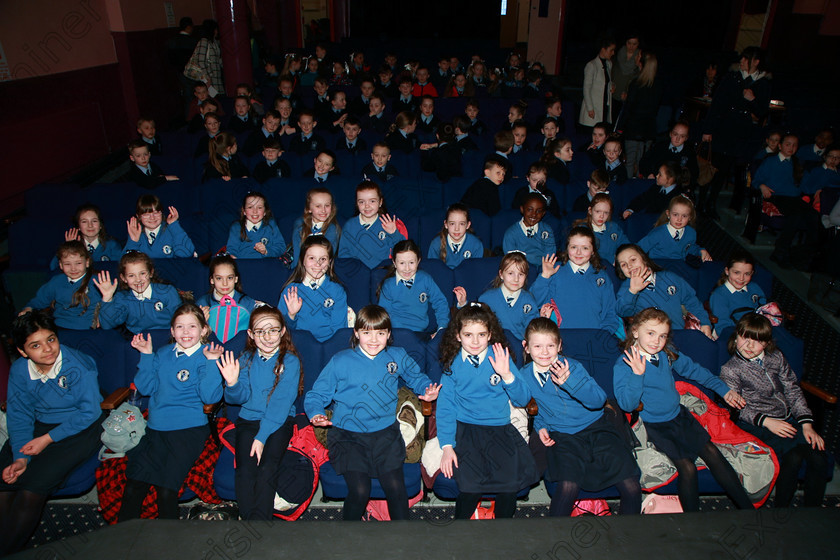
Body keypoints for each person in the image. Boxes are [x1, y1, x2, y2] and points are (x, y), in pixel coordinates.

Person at [305, 305, 440, 520]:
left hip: (385, 434)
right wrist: (315, 412)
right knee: (360, 491)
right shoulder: (341, 361)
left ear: (388, 334)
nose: (374, 339)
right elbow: (316, 395)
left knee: (396, 489)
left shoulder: (397, 355)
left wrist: (427, 389)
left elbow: (417, 377)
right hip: (348, 435)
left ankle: (402, 541)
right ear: (357, 333)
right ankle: (347, 539)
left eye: (380, 333)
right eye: (367, 333)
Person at [613, 307, 754, 512]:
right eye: (650, 333)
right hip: (654, 425)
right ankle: (691, 521)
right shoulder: (625, 363)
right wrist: (637, 374)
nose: (656, 341)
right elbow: (626, 404)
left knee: (713, 453)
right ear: (635, 332)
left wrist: (723, 390)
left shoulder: (666, 353)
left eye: (662, 336)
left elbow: (695, 370)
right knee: (687, 468)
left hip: (678, 416)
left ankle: (747, 509)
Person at [0, 310, 104, 555]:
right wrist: (20, 456)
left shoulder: (79, 365)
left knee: (32, 487)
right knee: (4, 482)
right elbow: (19, 414)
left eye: (51, 339)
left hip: (81, 427)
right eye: (36, 345)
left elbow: (89, 413)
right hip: (40, 424)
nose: (47, 349)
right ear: (23, 352)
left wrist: (46, 440)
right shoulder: (19, 371)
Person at [522, 318, 641, 516]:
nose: (544, 352)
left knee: (631, 486)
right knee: (568, 486)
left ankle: (628, 537)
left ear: (559, 346)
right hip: (562, 434)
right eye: (537, 346)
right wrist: (540, 425)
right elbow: (532, 405)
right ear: (526, 347)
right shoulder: (524, 376)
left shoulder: (573, 367)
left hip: (596, 427)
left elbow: (598, 400)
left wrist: (570, 382)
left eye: (550, 345)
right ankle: (552, 536)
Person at [118, 304, 224, 521]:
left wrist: (213, 362)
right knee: (133, 488)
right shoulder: (163, 354)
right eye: (180, 327)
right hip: (156, 428)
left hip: (189, 430)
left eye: (192, 326)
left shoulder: (207, 356)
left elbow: (210, 397)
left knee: (166, 492)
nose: (186, 332)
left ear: (204, 330)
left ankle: (169, 545)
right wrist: (146, 355)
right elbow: (145, 388)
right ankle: (123, 542)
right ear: (172, 331)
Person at [437, 303, 537, 519]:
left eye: (481, 334)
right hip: (467, 430)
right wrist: (446, 446)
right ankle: (459, 529)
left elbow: (523, 399)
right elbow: (445, 407)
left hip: (499, 429)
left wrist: (507, 374)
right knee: (471, 487)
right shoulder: (453, 365)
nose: (475, 341)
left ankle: (501, 532)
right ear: (458, 336)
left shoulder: (500, 356)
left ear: (490, 335)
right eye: (468, 334)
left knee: (509, 486)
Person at [720, 313, 828, 508]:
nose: (749, 346)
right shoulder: (731, 369)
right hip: (757, 424)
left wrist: (807, 424)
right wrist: (767, 422)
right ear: (736, 338)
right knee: (793, 458)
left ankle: (814, 512)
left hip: (787, 419)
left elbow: (793, 390)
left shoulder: (776, 357)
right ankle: (781, 509)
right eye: (745, 338)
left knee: (818, 457)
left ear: (767, 343)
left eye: (757, 341)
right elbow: (736, 408)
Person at [217, 307, 301, 519]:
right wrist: (233, 383)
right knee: (245, 470)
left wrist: (261, 437)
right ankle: (248, 520)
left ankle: (260, 523)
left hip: (278, 421)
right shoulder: (246, 359)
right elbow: (236, 399)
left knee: (267, 468)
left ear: (282, 331)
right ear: (251, 335)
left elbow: (281, 404)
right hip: (248, 420)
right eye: (260, 331)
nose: (267, 336)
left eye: (272, 330)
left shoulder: (290, 361)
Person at [702, 47, 771, 215]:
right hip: (722, 128)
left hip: (740, 134)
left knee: (724, 170)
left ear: (756, 61)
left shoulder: (763, 83)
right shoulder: (732, 77)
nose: (742, 61)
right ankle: (700, 201)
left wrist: (752, 100)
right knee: (711, 167)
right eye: (742, 58)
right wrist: (708, 129)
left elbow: (762, 111)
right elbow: (717, 104)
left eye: (746, 59)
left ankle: (711, 203)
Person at [532, 227, 621, 335]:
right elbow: (536, 303)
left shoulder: (601, 276)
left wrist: (602, 335)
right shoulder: (554, 271)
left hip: (594, 337)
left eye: (585, 248)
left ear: (593, 251)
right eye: (574, 247)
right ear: (567, 248)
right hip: (560, 338)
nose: (578, 252)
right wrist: (544, 276)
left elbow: (610, 312)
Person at [615, 244, 713, 339]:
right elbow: (622, 311)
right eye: (623, 265)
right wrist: (633, 291)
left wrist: (705, 323)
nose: (629, 266)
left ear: (643, 258)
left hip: (679, 333)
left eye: (633, 259)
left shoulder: (669, 277)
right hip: (652, 341)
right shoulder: (627, 289)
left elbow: (691, 301)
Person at [753, 133, 820, 268]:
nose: (791, 147)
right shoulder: (770, 161)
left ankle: (805, 255)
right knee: (795, 216)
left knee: (814, 216)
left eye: (794, 145)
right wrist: (762, 186)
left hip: (794, 198)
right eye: (788, 144)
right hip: (776, 196)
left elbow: (807, 185)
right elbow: (756, 180)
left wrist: (818, 189)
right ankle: (780, 251)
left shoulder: (798, 163)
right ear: (780, 145)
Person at [278, 236, 348, 343]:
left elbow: (339, 331)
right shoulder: (290, 291)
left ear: (329, 262)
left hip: (328, 345)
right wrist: (291, 315)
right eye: (312, 258)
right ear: (303, 261)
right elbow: (281, 331)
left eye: (323, 259)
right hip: (298, 344)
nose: (318, 264)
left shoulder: (337, 291)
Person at [94, 251, 182, 334]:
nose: (138, 279)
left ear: (151, 273)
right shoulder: (122, 298)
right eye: (131, 275)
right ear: (124, 278)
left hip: (168, 337)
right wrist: (107, 298)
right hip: (138, 340)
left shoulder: (167, 292)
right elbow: (107, 325)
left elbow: (181, 320)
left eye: (142, 273)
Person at [21, 241, 101, 330]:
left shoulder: (97, 281)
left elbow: (110, 304)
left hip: (87, 328)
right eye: (67, 264)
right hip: (60, 327)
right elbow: (39, 300)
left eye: (78, 263)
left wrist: (102, 316)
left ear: (87, 263)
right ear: (61, 265)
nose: (73, 268)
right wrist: (28, 308)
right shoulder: (56, 281)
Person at [376, 240, 450, 336]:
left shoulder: (425, 279)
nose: (407, 268)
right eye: (402, 263)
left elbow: (440, 303)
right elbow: (384, 314)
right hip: (396, 333)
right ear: (394, 263)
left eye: (411, 262)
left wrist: (441, 329)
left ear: (418, 261)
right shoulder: (388, 285)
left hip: (421, 333)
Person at [338, 181, 406, 269]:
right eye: (362, 202)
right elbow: (344, 254)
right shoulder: (350, 225)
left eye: (372, 201)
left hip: (382, 271)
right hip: (357, 272)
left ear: (380, 202)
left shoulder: (386, 224)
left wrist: (394, 233)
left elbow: (402, 252)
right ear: (357, 203)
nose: (367, 206)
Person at [475, 252, 539, 340]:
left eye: (521, 274)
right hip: (492, 345)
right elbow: (475, 324)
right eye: (510, 273)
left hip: (519, 347)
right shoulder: (486, 299)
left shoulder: (528, 300)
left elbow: (533, 332)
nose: (516, 279)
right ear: (501, 274)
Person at [196, 255, 258, 342]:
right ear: (212, 280)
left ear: (236, 279)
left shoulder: (248, 303)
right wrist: (199, 324)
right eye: (219, 278)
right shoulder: (202, 303)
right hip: (209, 351)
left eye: (229, 278)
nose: (225, 283)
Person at [621, 50, 662, 177]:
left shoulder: (636, 83)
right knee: (642, 164)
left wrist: (620, 128)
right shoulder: (658, 85)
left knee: (630, 163)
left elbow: (628, 109)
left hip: (633, 129)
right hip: (648, 130)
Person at [638, 195, 712, 262]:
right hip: (658, 266)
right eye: (675, 215)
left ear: (690, 217)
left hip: (679, 266)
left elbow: (689, 247)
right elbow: (638, 249)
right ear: (668, 214)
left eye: (684, 216)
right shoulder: (657, 233)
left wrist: (701, 251)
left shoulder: (691, 233)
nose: (679, 219)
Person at [708, 251, 767, 334]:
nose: (741, 278)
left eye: (747, 274)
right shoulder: (719, 295)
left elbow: (764, 310)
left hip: (758, 331)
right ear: (727, 271)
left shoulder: (754, 287)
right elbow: (723, 327)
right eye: (737, 273)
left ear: (752, 273)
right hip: (734, 335)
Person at [50, 204, 122, 269]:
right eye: (84, 221)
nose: (90, 225)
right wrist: (69, 247)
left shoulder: (112, 245)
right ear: (78, 226)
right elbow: (53, 267)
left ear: (100, 225)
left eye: (94, 221)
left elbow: (121, 268)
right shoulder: (74, 244)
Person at [123, 195, 196, 258]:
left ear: (161, 213)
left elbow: (186, 254)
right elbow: (125, 265)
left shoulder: (171, 229)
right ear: (138, 216)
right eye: (146, 214)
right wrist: (133, 242)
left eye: (156, 213)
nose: (152, 217)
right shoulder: (136, 232)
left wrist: (174, 225)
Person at [573, 193, 630, 265]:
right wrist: (613, 259)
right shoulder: (582, 230)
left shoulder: (614, 227)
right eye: (598, 211)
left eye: (606, 213)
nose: (601, 216)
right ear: (590, 210)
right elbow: (589, 253)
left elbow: (626, 246)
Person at [290, 187, 341, 268]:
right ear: (309, 209)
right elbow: (297, 254)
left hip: (321, 269)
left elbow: (326, 259)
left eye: (327, 205)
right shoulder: (300, 225)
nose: (323, 210)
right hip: (300, 269)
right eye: (318, 206)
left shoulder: (333, 229)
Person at [225, 192, 286, 259]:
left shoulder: (270, 225)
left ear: (265, 211)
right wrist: (232, 258)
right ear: (244, 211)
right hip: (244, 265)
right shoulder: (236, 227)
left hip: (267, 265)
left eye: (259, 207)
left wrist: (266, 251)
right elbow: (232, 249)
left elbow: (281, 247)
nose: (255, 211)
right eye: (250, 207)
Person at [502, 194, 556, 266]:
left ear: (543, 213)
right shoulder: (511, 233)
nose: (534, 214)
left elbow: (550, 255)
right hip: (521, 270)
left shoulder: (546, 230)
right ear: (522, 209)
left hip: (543, 269)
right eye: (530, 210)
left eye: (538, 211)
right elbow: (511, 260)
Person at [622, 161, 689, 219]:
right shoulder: (656, 187)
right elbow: (642, 199)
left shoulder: (677, 197)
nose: (656, 176)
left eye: (660, 175)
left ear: (670, 179)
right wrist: (630, 210)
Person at [427, 203, 484, 268]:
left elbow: (476, 271)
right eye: (452, 224)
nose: (457, 229)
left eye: (461, 224)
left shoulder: (476, 245)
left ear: (468, 225)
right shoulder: (436, 244)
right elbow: (432, 270)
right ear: (446, 224)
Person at [579, 37, 616, 128]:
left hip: (604, 106)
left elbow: (608, 81)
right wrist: (590, 108)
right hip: (593, 108)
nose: (613, 53)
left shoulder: (609, 64)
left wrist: (612, 86)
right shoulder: (591, 65)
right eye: (611, 50)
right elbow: (586, 88)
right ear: (603, 49)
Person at [187, 20, 224, 95]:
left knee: (215, 97)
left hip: (215, 76)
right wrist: (207, 78)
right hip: (208, 77)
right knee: (211, 97)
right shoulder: (204, 42)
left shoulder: (214, 42)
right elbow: (201, 61)